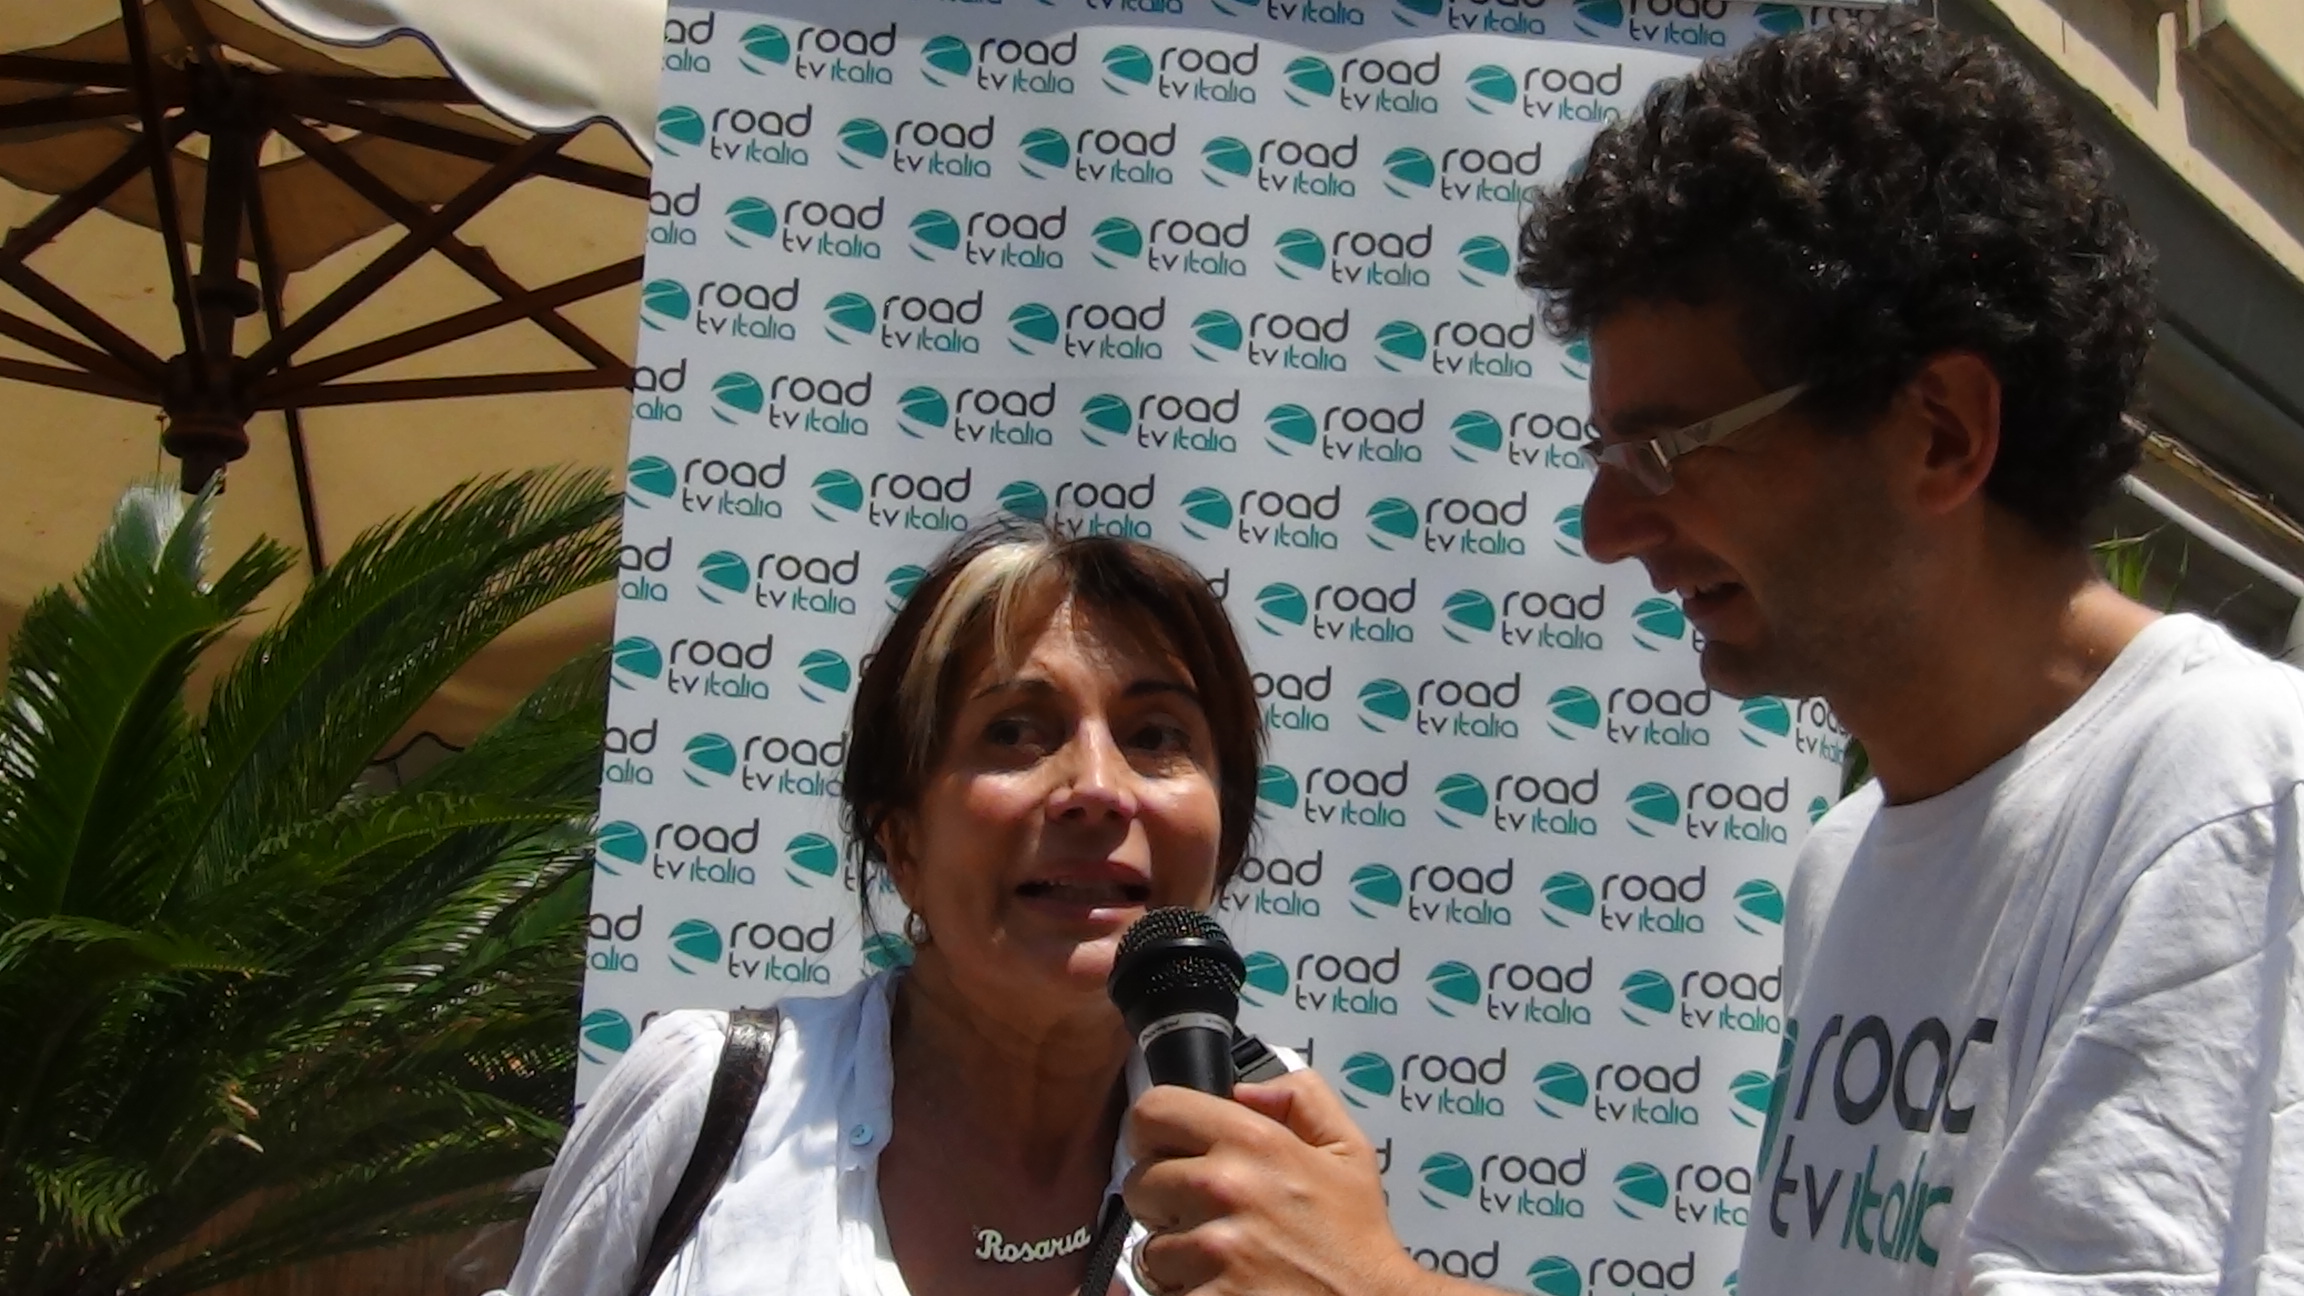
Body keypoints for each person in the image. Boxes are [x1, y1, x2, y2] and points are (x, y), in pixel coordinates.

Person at [1118, 10, 2304, 1296]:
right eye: (1605, 457)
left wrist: (1379, 1288)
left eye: (1665, 452)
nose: (1606, 530)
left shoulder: (2233, 793)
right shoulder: (1845, 864)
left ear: (1943, 434)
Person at [501, 522, 1264, 1296]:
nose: (1097, 789)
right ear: (901, 843)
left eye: (1156, 735)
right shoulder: (703, 1099)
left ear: (1223, 833)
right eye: (1013, 732)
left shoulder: (1284, 1149)